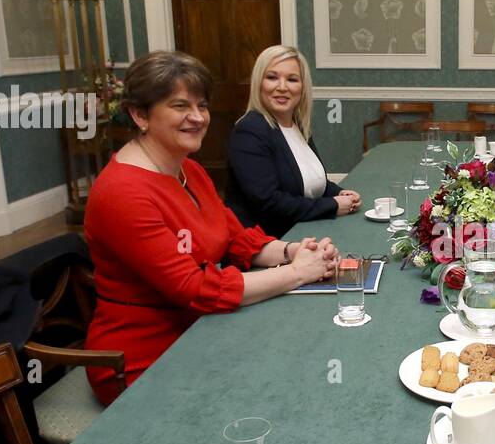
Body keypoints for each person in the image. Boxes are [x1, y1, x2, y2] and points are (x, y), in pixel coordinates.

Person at [84, 51, 339, 405]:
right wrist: (296, 274)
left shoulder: (190, 169)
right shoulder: (121, 193)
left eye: (202, 106)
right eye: (180, 106)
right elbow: (195, 289)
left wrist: (290, 251)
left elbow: (236, 238)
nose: (197, 117)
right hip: (144, 361)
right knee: (281, 387)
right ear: (139, 115)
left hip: (200, 330)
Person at [225, 45, 361, 237]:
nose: (282, 87)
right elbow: (269, 203)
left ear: (303, 86)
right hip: (267, 246)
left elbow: (309, 181)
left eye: (292, 79)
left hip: (303, 233)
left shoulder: (298, 126)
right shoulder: (249, 130)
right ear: (258, 83)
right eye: (272, 77)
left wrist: (340, 193)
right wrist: (332, 206)